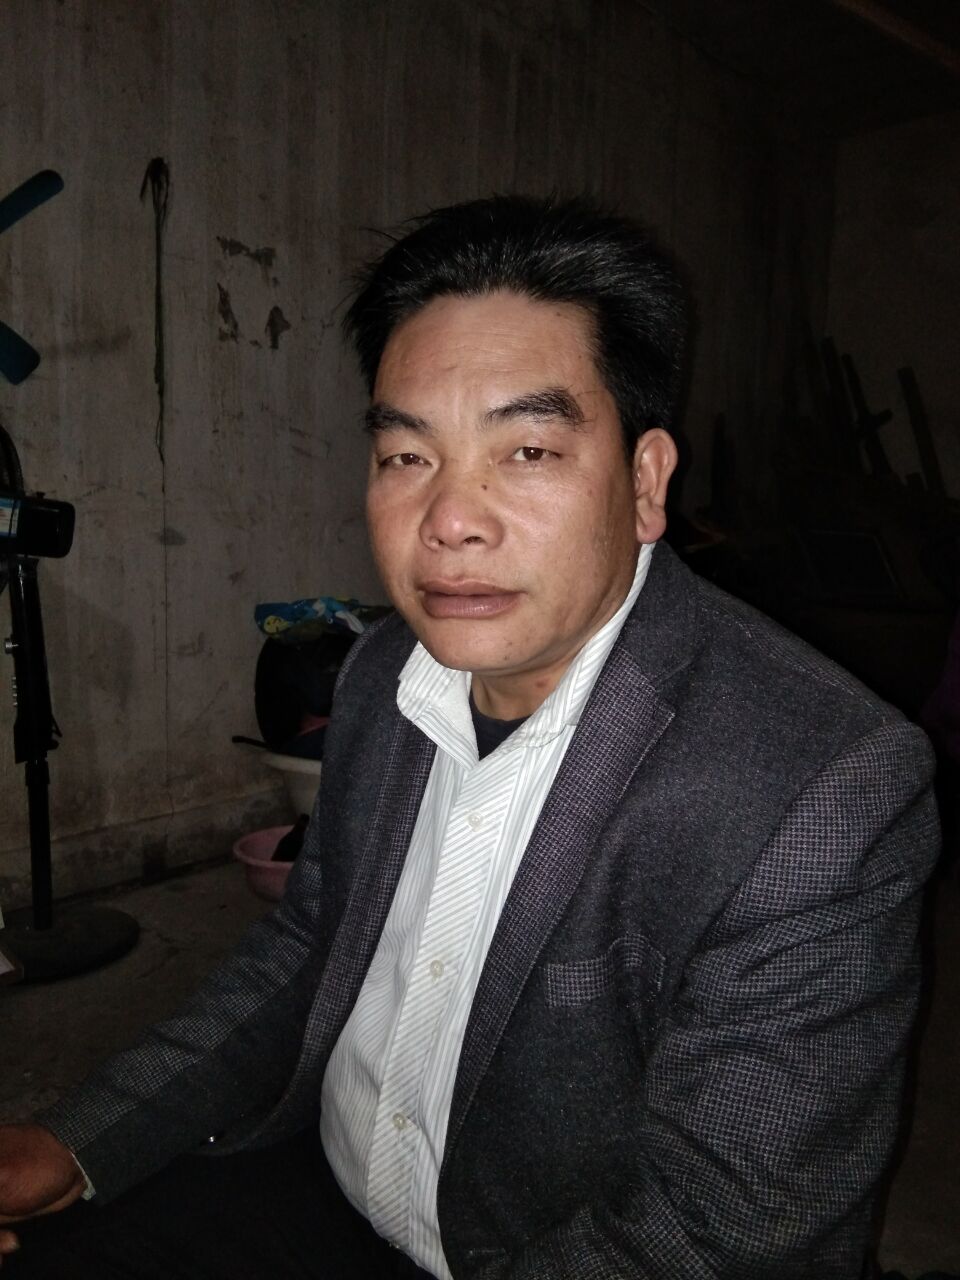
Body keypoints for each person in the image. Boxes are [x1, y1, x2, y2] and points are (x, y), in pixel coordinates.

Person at [0, 196, 939, 1279]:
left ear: (645, 483)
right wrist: (79, 1141)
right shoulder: (381, 673)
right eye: (408, 456)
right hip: (316, 1177)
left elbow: (722, 1235)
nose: (450, 519)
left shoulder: (820, 786)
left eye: (527, 448)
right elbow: (310, 946)